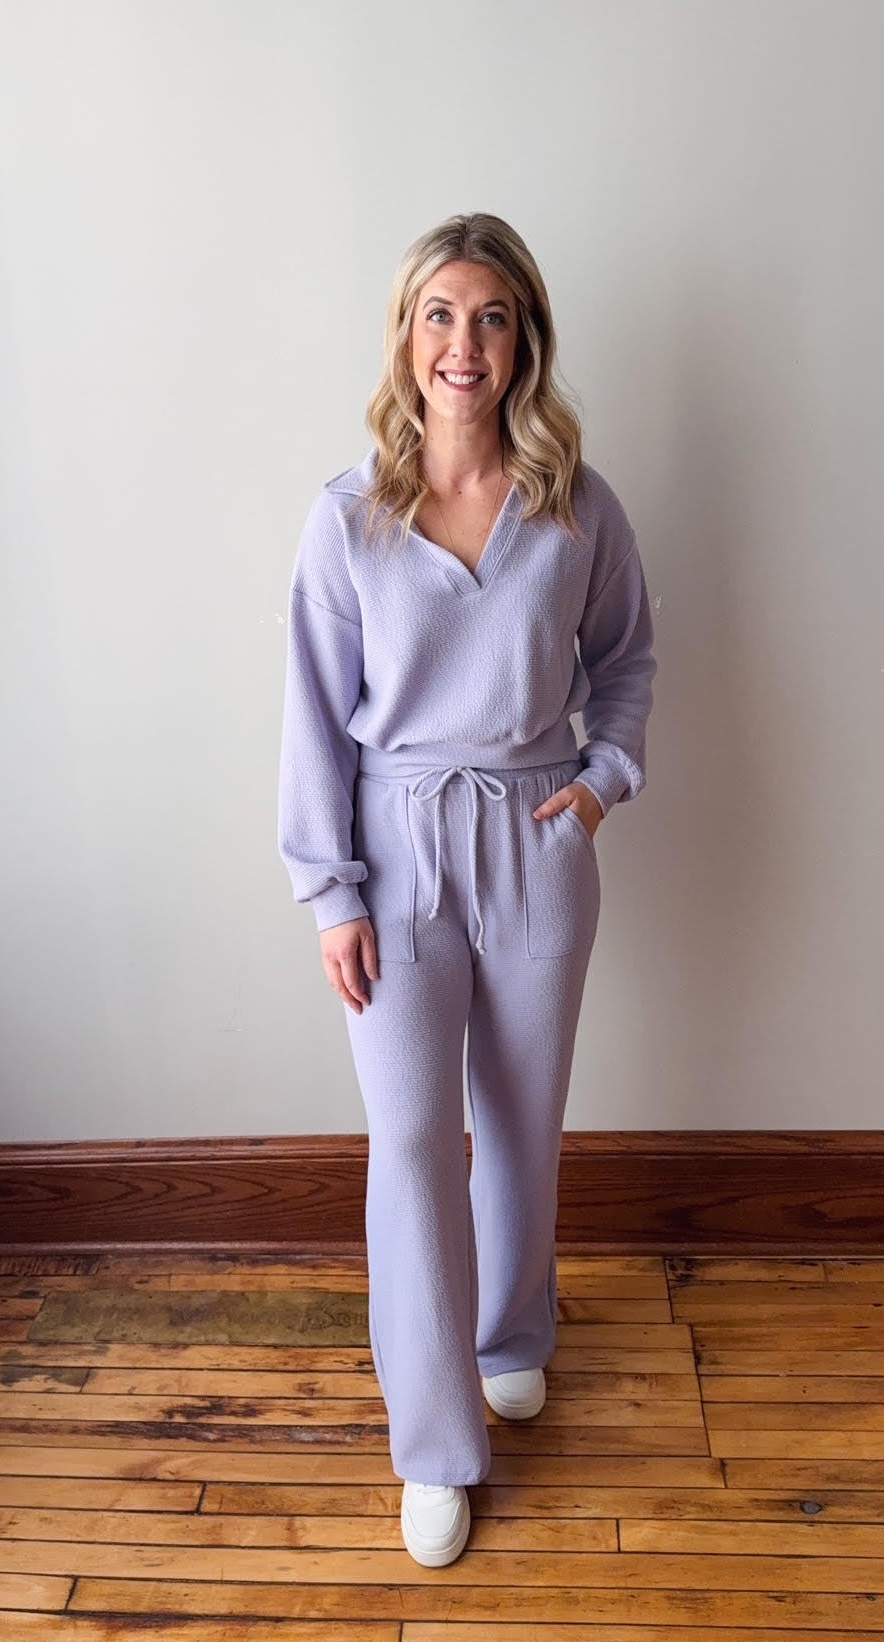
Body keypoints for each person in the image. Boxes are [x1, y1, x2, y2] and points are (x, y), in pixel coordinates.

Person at [276, 211, 656, 1567]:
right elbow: (316, 718)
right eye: (440, 314)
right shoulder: (350, 517)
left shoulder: (577, 507)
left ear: (523, 341)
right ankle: (434, 1446)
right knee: (412, 1146)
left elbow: (626, 662)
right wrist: (333, 894)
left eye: (489, 316)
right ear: (407, 337)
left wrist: (602, 783)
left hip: (537, 842)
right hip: (397, 846)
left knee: (522, 1120)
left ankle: (512, 1336)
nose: (463, 343)